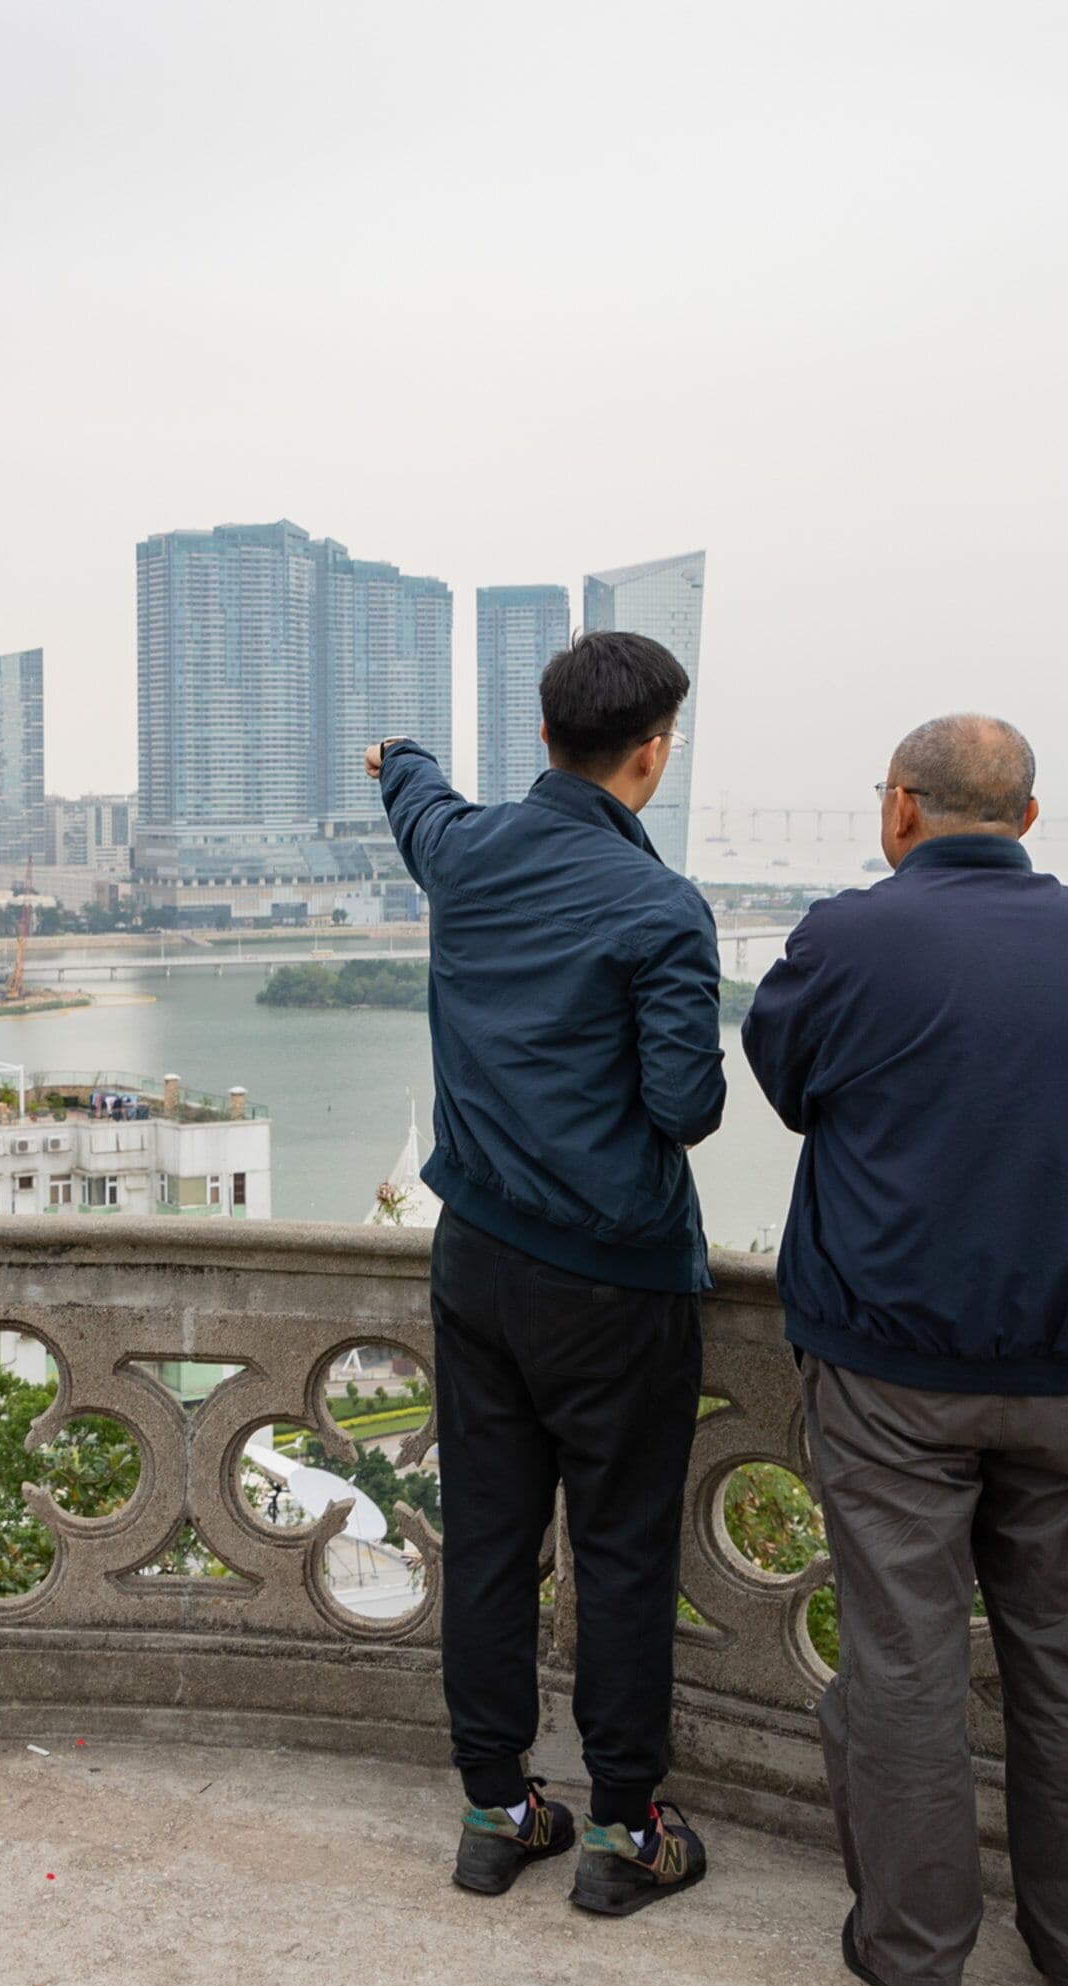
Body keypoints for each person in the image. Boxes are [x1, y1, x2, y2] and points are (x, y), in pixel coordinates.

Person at [738, 715, 1068, 1986]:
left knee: (908, 1663)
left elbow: (785, 1081)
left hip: (896, 1365)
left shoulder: (850, 935)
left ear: (902, 811)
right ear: (1027, 819)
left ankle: (918, 1957)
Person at [367, 628, 724, 1917]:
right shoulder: (659, 908)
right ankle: (626, 1829)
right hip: (613, 1281)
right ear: (654, 754)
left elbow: (420, 801)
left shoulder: (466, 858)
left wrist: (395, 754)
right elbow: (685, 1106)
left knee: (492, 1539)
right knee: (621, 1552)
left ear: (542, 738)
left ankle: (497, 1808)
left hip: (478, 1265)